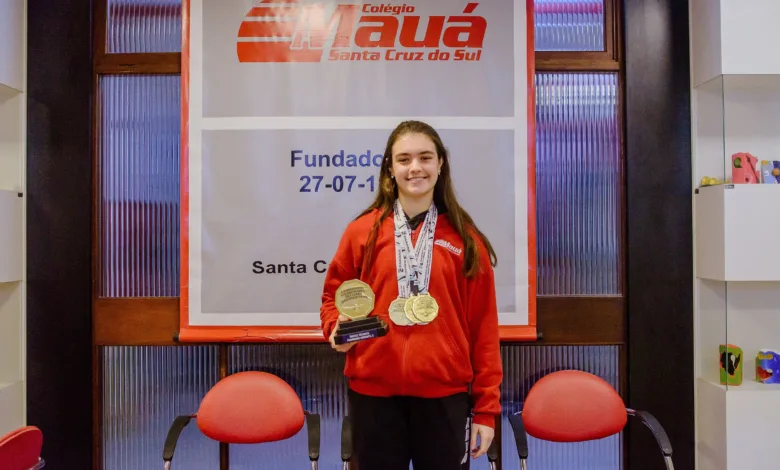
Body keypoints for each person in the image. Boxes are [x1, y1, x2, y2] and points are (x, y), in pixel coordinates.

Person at [320, 120, 502, 470]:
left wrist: (486, 410)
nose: (415, 167)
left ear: (440, 164)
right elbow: (331, 298)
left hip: (444, 396)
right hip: (373, 395)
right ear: (390, 168)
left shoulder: (466, 240)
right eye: (404, 159)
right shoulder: (361, 232)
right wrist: (335, 327)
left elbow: (484, 330)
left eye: (425, 157)